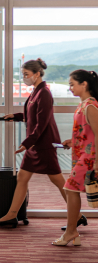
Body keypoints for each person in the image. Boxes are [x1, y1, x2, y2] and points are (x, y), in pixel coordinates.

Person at [0, 58, 67, 228]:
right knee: (22, 177)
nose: (24, 77)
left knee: (58, 180)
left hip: (42, 144)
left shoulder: (44, 93)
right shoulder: (36, 91)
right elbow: (32, 115)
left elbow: (41, 122)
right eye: (23, 74)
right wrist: (16, 116)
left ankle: (78, 214)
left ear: (37, 74)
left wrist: (27, 142)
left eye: (26, 74)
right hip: (35, 144)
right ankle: (12, 214)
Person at [52, 70, 98, 246]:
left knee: (70, 189)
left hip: (89, 157)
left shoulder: (90, 105)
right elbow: (89, 132)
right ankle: (73, 232)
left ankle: (71, 231)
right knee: (72, 190)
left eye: (72, 84)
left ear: (84, 84)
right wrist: (74, 141)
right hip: (82, 155)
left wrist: (97, 162)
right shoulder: (83, 105)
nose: (70, 88)